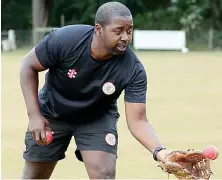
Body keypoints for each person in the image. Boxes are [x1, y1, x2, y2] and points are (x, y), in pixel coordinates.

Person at [20, 1, 169, 179]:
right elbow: (28, 66)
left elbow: (138, 121)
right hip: (52, 112)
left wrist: (161, 152)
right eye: (118, 30)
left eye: (129, 31)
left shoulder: (133, 69)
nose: (125, 37)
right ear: (99, 29)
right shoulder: (66, 40)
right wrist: (34, 115)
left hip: (96, 118)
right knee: (33, 177)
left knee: (104, 175)